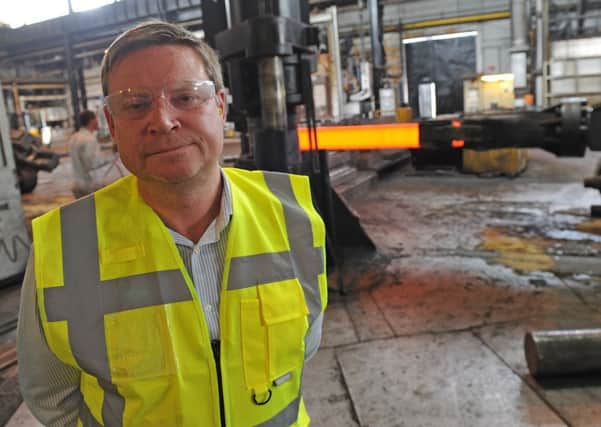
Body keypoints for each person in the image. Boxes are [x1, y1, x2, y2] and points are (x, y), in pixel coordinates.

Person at [17, 20, 327, 427]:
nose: (162, 120)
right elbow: (51, 397)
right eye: (135, 105)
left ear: (220, 106)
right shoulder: (64, 247)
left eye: (185, 97)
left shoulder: (293, 217)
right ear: (112, 125)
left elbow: (304, 349)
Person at [68, 109, 110, 197]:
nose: (98, 121)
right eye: (96, 118)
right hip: (89, 187)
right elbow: (93, 164)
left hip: (77, 185)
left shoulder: (74, 137)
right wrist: (110, 159)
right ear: (92, 121)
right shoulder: (90, 139)